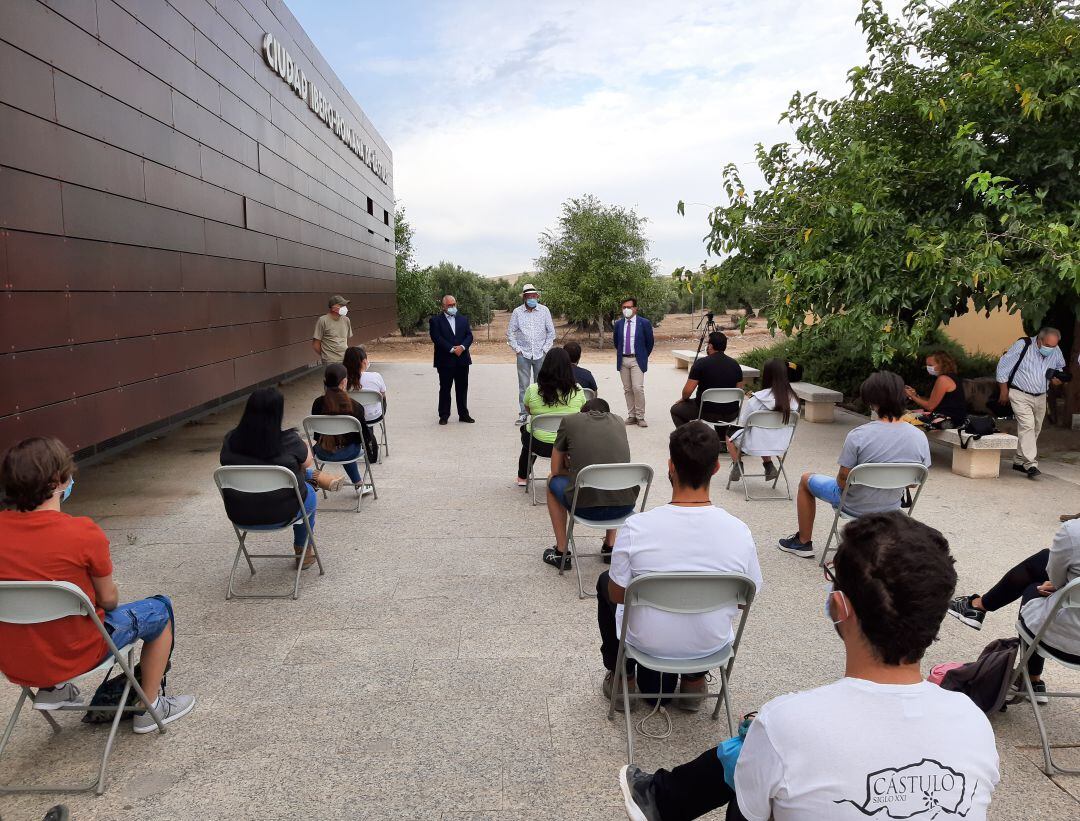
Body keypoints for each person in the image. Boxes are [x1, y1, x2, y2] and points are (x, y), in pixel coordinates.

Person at [618, 513, 999, 821]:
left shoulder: (788, 721)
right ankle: (662, 798)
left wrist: (767, 734)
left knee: (757, 755)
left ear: (839, 607)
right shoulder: (973, 723)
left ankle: (663, 799)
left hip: (780, 742)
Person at [0, 437, 195, 733]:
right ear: (59, 481)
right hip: (79, 652)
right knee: (160, 610)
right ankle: (150, 708)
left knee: (32, 612)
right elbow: (108, 601)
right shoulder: (82, 533)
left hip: (17, 660)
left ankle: (53, 688)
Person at [597, 422, 762, 714]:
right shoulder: (740, 531)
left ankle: (625, 679)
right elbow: (743, 601)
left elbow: (618, 594)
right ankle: (694, 684)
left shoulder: (636, 527)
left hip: (646, 642)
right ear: (715, 469)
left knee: (604, 582)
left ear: (671, 466)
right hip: (709, 645)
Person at [778, 371, 931, 558]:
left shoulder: (859, 435)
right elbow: (914, 482)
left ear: (872, 402)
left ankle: (802, 542)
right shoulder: (919, 437)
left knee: (805, 480)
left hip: (854, 505)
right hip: (891, 507)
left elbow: (843, 481)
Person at [948, 519, 1080, 703]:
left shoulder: (1073, 531)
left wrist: (1061, 586)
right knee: (1044, 560)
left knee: (1036, 587)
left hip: (1065, 641)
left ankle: (1032, 679)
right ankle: (978, 606)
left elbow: (1056, 579)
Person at [219, 388, 320, 569]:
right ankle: (303, 551)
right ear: (278, 412)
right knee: (308, 491)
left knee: (298, 480)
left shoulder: (230, 440)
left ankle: (320, 479)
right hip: (283, 512)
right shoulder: (288, 440)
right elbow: (307, 462)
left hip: (241, 514)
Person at [542, 398, 637, 569]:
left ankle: (561, 552)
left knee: (551, 481)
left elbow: (556, 470)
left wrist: (572, 468)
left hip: (585, 508)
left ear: (582, 412)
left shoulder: (570, 421)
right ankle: (610, 546)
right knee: (612, 479)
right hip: (624, 507)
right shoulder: (619, 422)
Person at [996, 327, 1067, 480]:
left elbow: (1059, 367)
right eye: (1048, 345)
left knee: (1035, 428)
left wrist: (1057, 378)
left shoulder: (1055, 349)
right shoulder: (1023, 345)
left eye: (1054, 346)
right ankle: (1031, 464)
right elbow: (1003, 366)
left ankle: (1019, 460)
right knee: (1027, 425)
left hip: (1041, 395)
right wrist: (1003, 390)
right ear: (1039, 340)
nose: (1051, 349)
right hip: (1020, 393)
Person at [516, 348, 586, 487]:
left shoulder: (533, 389)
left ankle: (523, 476)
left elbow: (529, 411)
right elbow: (581, 412)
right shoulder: (577, 390)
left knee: (527, 431)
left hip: (540, 445)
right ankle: (568, 470)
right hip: (568, 446)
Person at [727, 358, 799, 483]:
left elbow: (744, 422)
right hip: (782, 444)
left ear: (767, 375)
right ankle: (769, 465)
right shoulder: (794, 399)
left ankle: (737, 465)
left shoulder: (757, 399)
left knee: (730, 434)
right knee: (764, 434)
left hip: (756, 444)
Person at [310, 363, 376, 481]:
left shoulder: (317, 403)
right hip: (348, 453)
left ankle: (316, 480)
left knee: (337, 442)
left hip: (322, 453)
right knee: (347, 444)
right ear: (344, 382)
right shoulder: (355, 407)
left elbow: (317, 435)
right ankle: (358, 483)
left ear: (324, 381)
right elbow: (364, 437)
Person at [670, 332, 743, 428]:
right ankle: (721, 439)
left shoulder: (701, 364)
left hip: (706, 411)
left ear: (710, 346)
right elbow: (739, 390)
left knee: (676, 410)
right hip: (731, 413)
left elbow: (687, 392)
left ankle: (688, 438)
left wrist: (683, 399)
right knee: (722, 406)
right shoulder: (735, 365)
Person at [507, 283, 556, 425]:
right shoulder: (517, 312)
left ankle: (539, 413)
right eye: (530, 297)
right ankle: (523, 414)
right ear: (524, 298)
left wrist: (545, 349)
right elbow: (510, 332)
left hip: (541, 354)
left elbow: (551, 332)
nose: (532, 299)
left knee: (541, 384)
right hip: (524, 354)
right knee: (524, 386)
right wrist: (517, 350)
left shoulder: (544, 311)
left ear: (537, 297)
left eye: (535, 296)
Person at [429, 295, 475, 425]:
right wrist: (451, 349)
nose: (452, 307)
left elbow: (469, 336)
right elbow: (436, 338)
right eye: (449, 305)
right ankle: (444, 415)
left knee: (462, 388)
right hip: (445, 361)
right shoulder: (435, 321)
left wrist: (462, 347)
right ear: (443, 306)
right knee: (445, 388)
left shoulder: (463, 319)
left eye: (454, 304)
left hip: (462, 360)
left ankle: (463, 414)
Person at [614, 297, 655, 427]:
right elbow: (616, 342)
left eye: (629, 307)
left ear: (635, 308)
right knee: (627, 389)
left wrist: (642, 356)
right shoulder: (619, 324)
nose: (626, 310)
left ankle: (640, 416)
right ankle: (631, 416)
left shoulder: (644, 323)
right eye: (624, 307)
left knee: (637, 388)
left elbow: (650, 342)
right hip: (623, 360)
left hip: (637, 359)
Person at [904, 350, 968, 428]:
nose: (928, 368)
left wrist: (912, 396)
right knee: (907, 414)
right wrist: (916, 396)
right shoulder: (951, 377)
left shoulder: (943, 379)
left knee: (903, 418)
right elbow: (933, 402)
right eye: (927, 365)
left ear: (942, 364)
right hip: (953, 418)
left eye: (930, 365)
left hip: (949, 420)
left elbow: (930, 406)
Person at [343, 345, 387, 426]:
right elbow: (383, 395)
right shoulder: (376, 376)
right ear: (364, 361)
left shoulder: (343, 380)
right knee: (382, 397)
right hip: (374, 417)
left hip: (352, 419)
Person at [311, 295, 353, 364]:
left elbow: (346, 339)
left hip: (345, 359)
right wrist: (326, 356)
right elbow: (316, 344)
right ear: (333, 308)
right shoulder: (322, 320)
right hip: (329, 361)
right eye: (342, 305)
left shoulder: (346, 320)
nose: (345, 307)